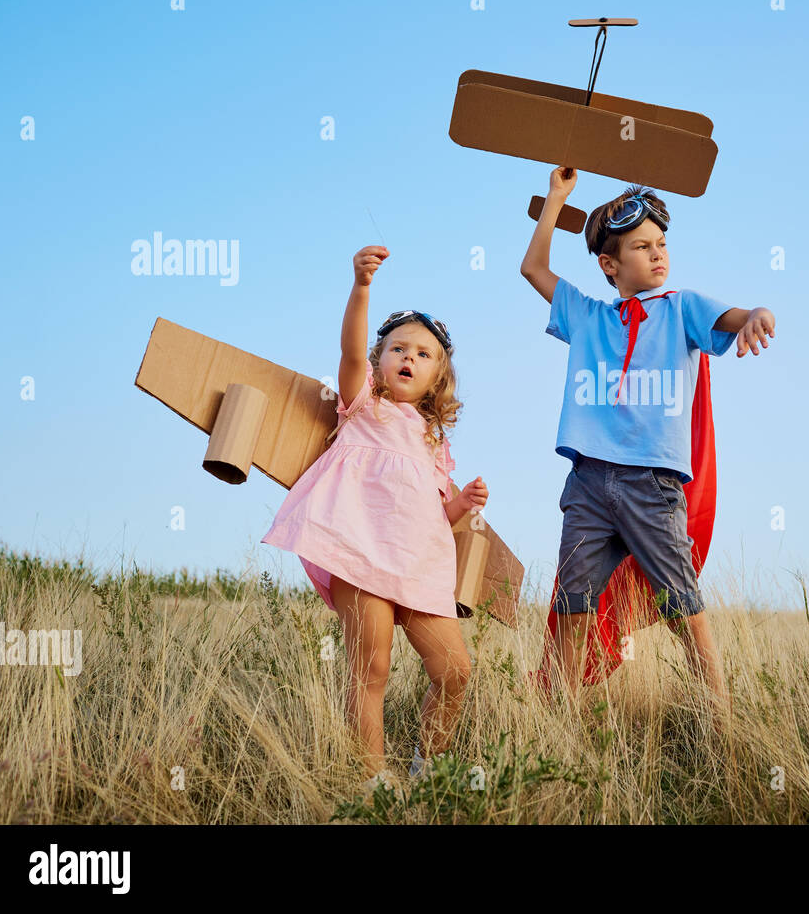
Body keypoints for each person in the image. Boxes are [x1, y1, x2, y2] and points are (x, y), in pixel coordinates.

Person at [520, 166, 777, 727]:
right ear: (610, 265)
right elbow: (532, 268)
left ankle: (721, 716)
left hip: (651, 485)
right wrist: (558, 198)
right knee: (572, 605)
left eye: (662, 243)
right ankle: (557, 722)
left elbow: (735, 316)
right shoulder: (588, 316)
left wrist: (758, 314)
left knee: (680, 601)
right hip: (587, 482)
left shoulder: (680, 307)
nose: (658, 254)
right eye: (641, 246)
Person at [261, 245, 488, 797]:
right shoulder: (363, 404)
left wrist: (463, 505)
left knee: (454, 670)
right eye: (397, 349)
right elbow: (349, 351)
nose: (408, 358)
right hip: (360, 555)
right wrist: (361, 288)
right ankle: (369, 779)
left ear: (438, 378)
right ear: (380, 360)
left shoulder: (434, 441)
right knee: (373, 669)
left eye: (424, 354)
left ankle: (428, 766)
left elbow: (432, 511)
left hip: (418, 565)